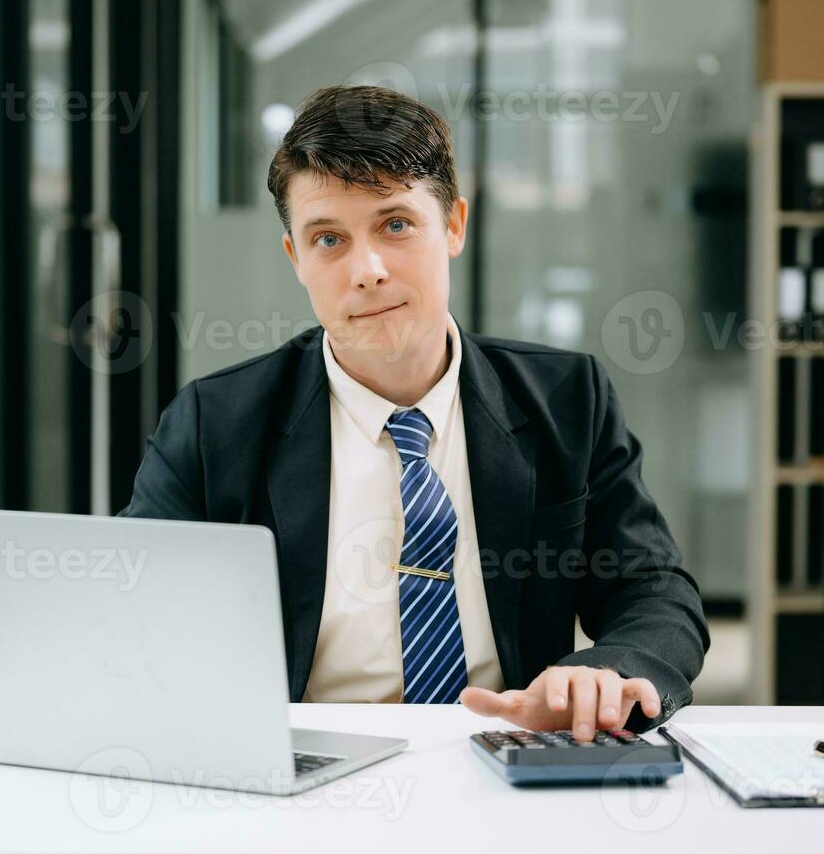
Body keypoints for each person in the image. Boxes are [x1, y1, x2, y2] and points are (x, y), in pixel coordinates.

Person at [122, 84, 708, 741]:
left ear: (454, 225)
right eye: (328, 240)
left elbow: (655, 594)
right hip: (308, 771)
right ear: (296, 259)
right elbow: (140, 614)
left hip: (508, 750)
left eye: (395, 225)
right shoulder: (214, 424)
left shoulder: (567, 399)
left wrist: (606, 669)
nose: (366, 269)